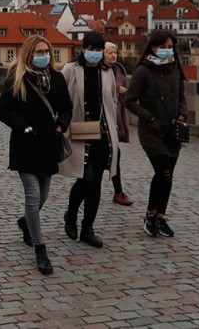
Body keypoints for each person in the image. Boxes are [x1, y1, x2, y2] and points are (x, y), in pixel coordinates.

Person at [0, 35, 72, 275]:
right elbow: (4, 111)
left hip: (49, 144)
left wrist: (61, 125)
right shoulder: (17, 79)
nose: (44, 56)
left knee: (43, 196)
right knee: (32, 195)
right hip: (25, 144)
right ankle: (40, 249)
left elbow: (66, 107)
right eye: (39, 52)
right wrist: (24, 127)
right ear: (29, 54)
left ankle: (25, 222)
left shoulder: (57, 78)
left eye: (46, 51)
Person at [125, 30, 187, 238]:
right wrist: (149, 117)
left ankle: (161, 216)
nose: (168, 50)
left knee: (169, 176)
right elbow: (130, 101)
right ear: (153, 47)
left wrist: (182, 115)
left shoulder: (174, 68)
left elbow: (182, 96)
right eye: (164, 47)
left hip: (173, 130)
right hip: (152, 131)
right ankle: (150, 215)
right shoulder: (144, 70)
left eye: (171, 47)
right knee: (163, 172)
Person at [60, 32, 119, 249]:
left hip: (101, 132)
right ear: (83, 49)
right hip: (79, 129)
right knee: (86, 179)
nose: (94, 54)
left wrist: (113, 125)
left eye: (98, 50)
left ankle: (88, 228)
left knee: (96, 185)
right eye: (91, 49)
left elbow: (112, 99)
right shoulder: (71, 69)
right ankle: (71, 214)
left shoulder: (107, 72)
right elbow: (61, 97)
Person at [104, 42, 133, 206]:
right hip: (102, 119)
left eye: (115, 52)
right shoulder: (99, 70)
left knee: (115, 154)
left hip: (116, 116)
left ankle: (118, 191)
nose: (113, 55)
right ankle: (117, 191)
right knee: (109, 155)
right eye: (109, 53)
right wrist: (117, 89)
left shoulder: (119, 69)